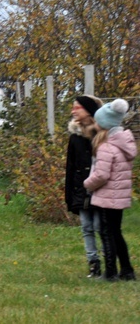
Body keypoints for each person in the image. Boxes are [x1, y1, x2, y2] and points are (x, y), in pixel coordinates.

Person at [84, 99, 136, 281]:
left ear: (105, 124)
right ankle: (127, 270)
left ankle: (111, 272)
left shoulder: (106, 146)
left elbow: (101, 175)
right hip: (119, 195)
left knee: (107, 233)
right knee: (116, 232)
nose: (95, 124)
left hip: (108, 195)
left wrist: (87, 184)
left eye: (98, 121)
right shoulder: (124, 143)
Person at [65, 95, 104, 277]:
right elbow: (71, 168)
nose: (73, 111)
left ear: (89, 110)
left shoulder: (102, 135)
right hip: (81, 190)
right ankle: (93, 263)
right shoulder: (75, 137)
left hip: (101, 189)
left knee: (100, 226)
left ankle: (109, 261)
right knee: (86, 227)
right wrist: (70, 195)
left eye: (77, 107)